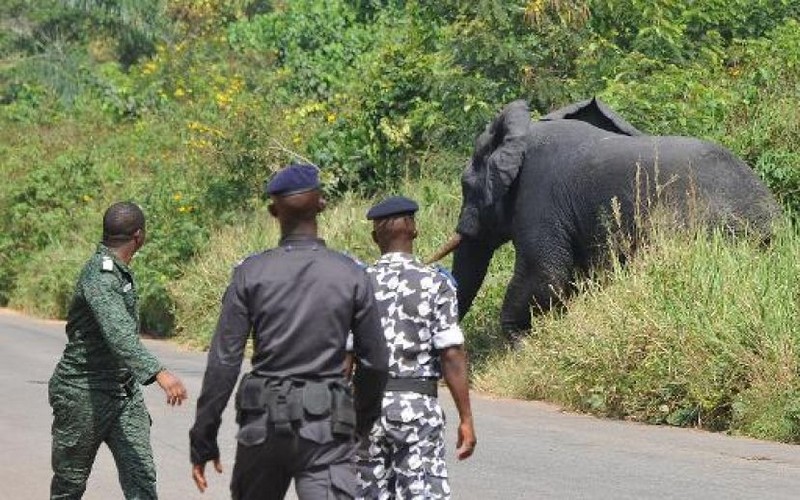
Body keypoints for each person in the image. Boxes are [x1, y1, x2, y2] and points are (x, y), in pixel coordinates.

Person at [189, 163, 389, 500]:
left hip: (263, 427)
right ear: (322, 204)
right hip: (326, 431)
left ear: (272, 211)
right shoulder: (351, 274)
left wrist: (203, 436)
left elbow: (224, 362)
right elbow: (377, 363)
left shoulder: (250, 274)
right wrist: (360, 422)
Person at [48, 201, 188, 500]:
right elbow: (119, 336)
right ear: (139, 236)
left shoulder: (117, 271)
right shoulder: (99, 277)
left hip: (123, 393)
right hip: (82, 393)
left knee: (142, 479)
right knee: (69, 485)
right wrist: (160, 374)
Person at [356, 195, 477, 500]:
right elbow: (451, 353)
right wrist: (466, 418)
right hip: (416, 411)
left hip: (366, 410)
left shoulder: (356, 284)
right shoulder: (436, 284)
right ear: (414, 230)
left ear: (374, 238)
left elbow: (343, 356)